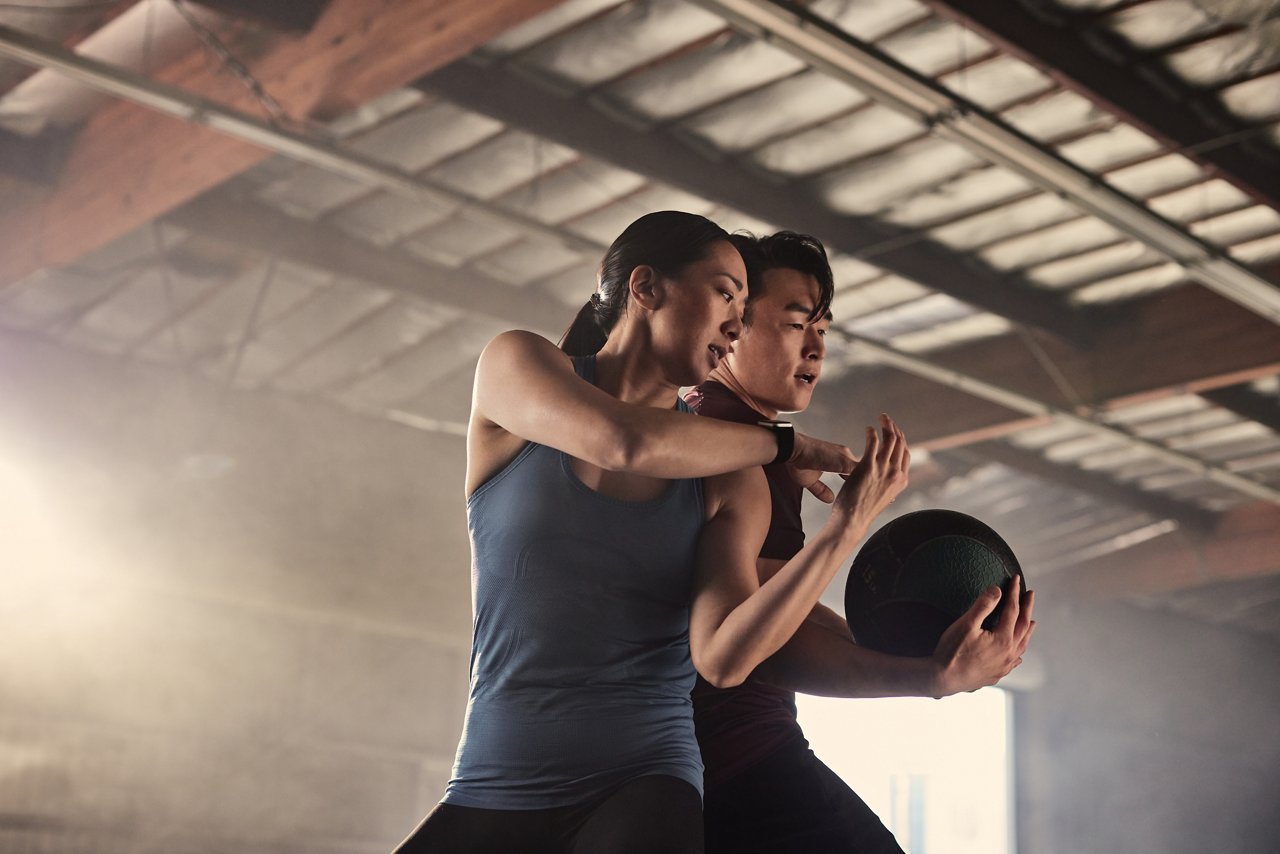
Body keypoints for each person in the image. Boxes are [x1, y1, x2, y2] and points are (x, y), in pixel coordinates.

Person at [391, 211, 916, 854]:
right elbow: (624, 441)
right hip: (490, 783)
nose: (735, 323)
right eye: (725, 294)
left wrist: (846, 526)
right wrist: (787, 444)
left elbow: (724, 657)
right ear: (645, 286)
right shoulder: (516, 363)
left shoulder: (732, 479)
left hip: (643, 784)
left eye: (744, 307)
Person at [685, 231, 1037, 854]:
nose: (816, 346)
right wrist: (930, 677)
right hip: (737, 760)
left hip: (711, 765)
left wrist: (902, 647)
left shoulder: (726, 430)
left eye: (823, 328)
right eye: (796, 324)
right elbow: (765, 652)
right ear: (733, 325)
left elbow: (773, 606)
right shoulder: (736, 450)